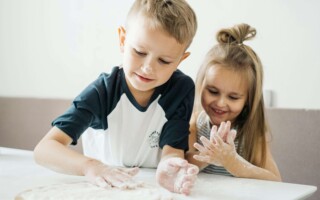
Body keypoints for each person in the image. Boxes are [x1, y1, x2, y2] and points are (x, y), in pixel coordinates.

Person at [34, 0, 199, 195]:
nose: (148, 67)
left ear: (181, 59)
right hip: (105, 190)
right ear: (122, 40)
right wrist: (90, 166)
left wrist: (169, 166)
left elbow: (172, 149)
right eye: (139, 52)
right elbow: (44, 149)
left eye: (164, 61)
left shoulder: (181, 88)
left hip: (152, 189)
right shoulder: (102, 92)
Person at [186, 23, 282, 181]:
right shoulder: (196, 123)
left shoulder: (251, 132)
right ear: (201, 85)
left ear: (248, 100)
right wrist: (209, 154)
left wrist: (232, 161)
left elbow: (275, 180)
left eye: (233, 97)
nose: (221, 103)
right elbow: (183, 161)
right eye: (213, 91)